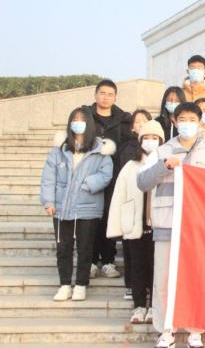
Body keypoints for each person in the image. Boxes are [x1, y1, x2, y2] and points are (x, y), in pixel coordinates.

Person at [137, 102, 205, 348]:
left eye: (192, 120)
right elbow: (142, 182)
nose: (187, 124)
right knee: (163, 279)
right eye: (182, 119)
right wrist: (163, 166)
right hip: (166, 224)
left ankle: (195, 330)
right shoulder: (161, 151)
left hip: (197, 226)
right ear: (174, 121)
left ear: (200, 122)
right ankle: (166, 330)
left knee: (196, 278)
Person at [40, 107, 114, 302]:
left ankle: (81, 284)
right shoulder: (59, 150)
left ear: (89, 123)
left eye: (82, 119)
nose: (78, 123)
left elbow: (106, 174)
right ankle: (65, 284)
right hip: (62, 207)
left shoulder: (100, 150)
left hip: (87, 207)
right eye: (75, 119)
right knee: (63, 248)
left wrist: (87, 184)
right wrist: (49, 201)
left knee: (85, 248)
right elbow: (48, 178)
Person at [107, 120, 164, 325]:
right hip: (134, 226)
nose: (150, 141)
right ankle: (139, 306)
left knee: (156, 269)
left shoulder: (165, 163)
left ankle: (155, 307)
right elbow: (119, 197)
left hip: (158, 227)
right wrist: (117, 226)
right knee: (137, 268)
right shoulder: (130, 166)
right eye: (146, 138)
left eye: (155, 138)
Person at [89, 79, 131, 280]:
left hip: (114, 177)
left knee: (108, 217)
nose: (105, 97)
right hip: (89, 176)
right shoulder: (86, 116)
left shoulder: (123, 120)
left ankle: (108, 260)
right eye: (102, 93)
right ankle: (90, 261)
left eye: (110, 94)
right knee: (90, 219)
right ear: (95, 94)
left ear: (115, 97)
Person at [115, 109, 152, 300]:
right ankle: (132, 288)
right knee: (132, 253)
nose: (141, 124)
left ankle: (149, 291)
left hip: (152, 214)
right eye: (137, 121)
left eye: (145, 121)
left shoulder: (161, 155)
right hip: (132, 208)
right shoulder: (128, 151)